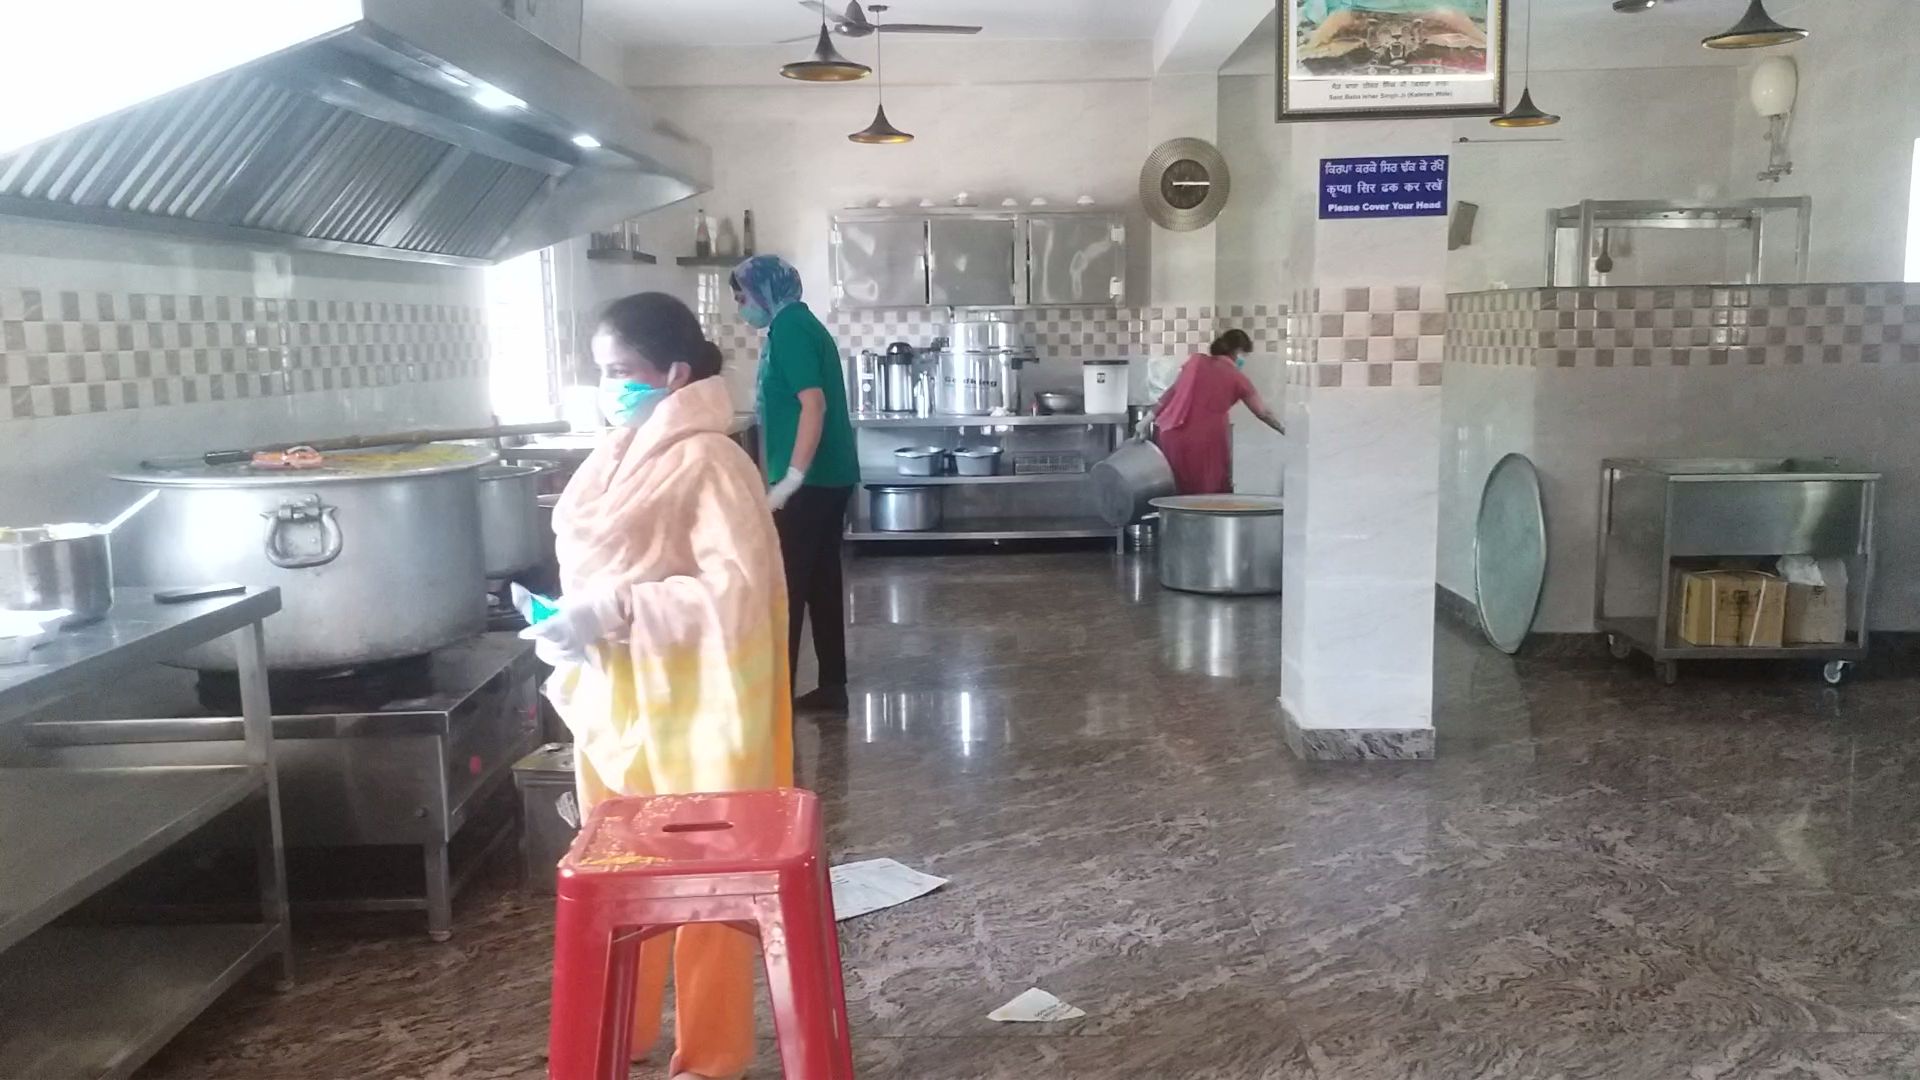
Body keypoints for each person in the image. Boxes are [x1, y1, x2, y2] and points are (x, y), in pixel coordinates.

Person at [523, 292, 790, 1080]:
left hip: (700, 710)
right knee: (619, 871)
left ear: (674, 372)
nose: (610, 388)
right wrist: (574, 622)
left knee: (707, 884)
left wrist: (614, 608)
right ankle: (622, 1029)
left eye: (622, 372)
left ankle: (711, 1055)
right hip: (620, 697)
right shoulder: (619, 450)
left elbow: (739, 597)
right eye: (601, 373)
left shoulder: (711, 460)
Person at [731, 253, 859, 715]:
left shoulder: (789, 330)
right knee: (821, 580)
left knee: (784, 586)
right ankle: (831, 686)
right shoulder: (799, 325)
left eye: (742, 296)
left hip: (811, 481)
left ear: (764, 291)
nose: (742, 308)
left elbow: (813, 404)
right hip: (828, 477)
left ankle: (775, 698)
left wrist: (792, 479)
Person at [1148, 329, 1285, 495]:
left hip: (1172, 437)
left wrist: (1145, 420)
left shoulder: (1195, 363)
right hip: (1206, 440)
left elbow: (1171, 393)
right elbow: (1263, 413)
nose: (1243, 360)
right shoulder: (1237, 377)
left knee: (1177, 493)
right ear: (1237, 351)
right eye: (1244, 355)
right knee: (1209, 493)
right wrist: (1286, 430)